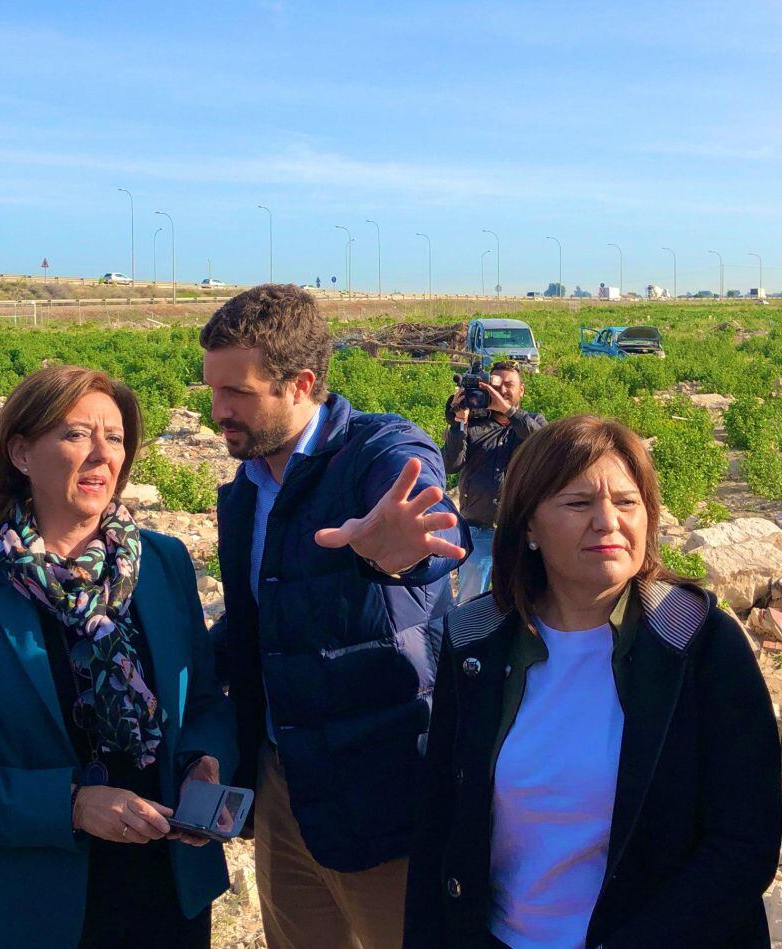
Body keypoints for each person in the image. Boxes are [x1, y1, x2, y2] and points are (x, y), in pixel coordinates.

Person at [405, 414, 782, 948]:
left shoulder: (698, 643)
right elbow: (440, 825)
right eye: (578, 503)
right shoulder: (475, 643)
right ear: (529, 525)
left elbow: (744, 843)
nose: (608, 521)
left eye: (627, 502)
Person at [0, 365, 238, 948]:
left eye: (114, 437)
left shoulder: (163, 564)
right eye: (76, 434)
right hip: (25, 907)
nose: (101, 455)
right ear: (22, 453)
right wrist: (73, 807)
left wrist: (205, 765)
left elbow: (205, 704)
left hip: (165, 887)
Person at [202, 284, 470, 949]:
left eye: (237, 393)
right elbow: (257, 624)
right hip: (284, 785)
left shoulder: (375, 451)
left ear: (302, 384)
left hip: (382, 789)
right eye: (212, 390)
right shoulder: (246, 491)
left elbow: (424, 515)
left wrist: (400, 550)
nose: (218, 411)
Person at [442, 360, 546, 603]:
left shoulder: (532, 422)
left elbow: (543, 445)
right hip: (478, 529)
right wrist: (459, 421)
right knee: (470, 601)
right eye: (495, 384)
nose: (501, 390)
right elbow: (450, 464)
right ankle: (467, 641)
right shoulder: (474, 425)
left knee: (519, 600)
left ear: (522, 390)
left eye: (509, 384)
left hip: (519, 531)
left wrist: (509, 411)